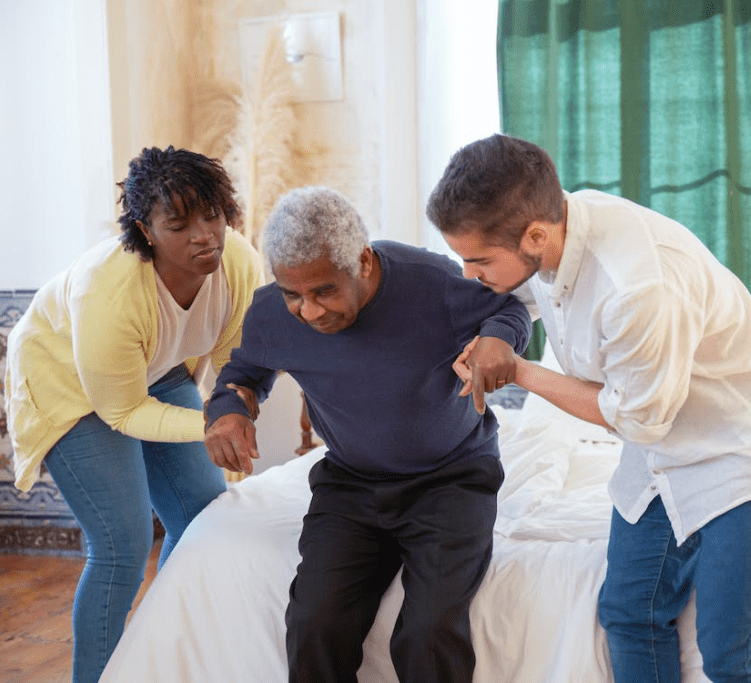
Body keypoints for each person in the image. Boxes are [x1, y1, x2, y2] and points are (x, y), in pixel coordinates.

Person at [427, 133, 751, 683]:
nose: (470, 274)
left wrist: (520, 371)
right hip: (663, 443)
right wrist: (492, 334)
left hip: (745, 446)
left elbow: (636, 419)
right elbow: (521, 297)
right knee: (629, 614)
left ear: (536, 234)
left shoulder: (637, 287)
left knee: (734, 657)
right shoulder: (559, 228)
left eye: (479, 260)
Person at [202, 186, 531, 683]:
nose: (308, 311)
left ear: (363, 261)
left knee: (426, 631)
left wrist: (497, 339)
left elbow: (510, 311)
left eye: (324, 291)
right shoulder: (271, 312)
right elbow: (242, 374)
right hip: (351, 484)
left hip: (451, 480)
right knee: (314, 623)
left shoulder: (431, 282)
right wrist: (228, 412)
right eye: (294, 294)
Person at [4, 146, 264, 683]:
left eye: (213, 215)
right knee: (122, 543)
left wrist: (234, 412)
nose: (205, 236)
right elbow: (121, 411)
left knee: (201, 520)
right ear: (146, 229)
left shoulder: (237, 260)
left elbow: (237, 365)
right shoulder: (109, 290)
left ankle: (154, 662)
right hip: (69, 382)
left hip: (156, 363)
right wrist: (212, 425)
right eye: (179, 224)